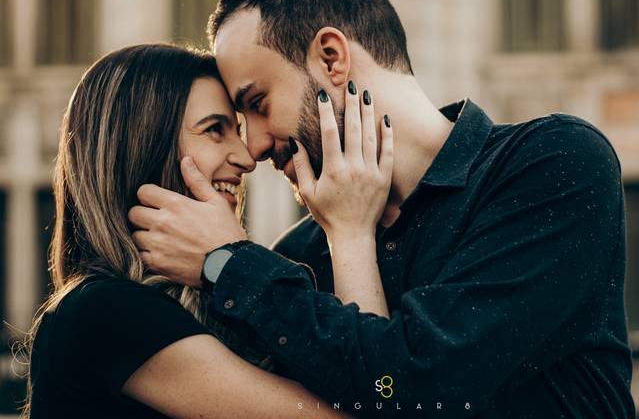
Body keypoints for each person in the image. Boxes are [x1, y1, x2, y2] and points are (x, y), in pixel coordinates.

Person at [131, 0, 636, 417]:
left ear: (332, 58)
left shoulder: (552, 164)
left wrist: (229, 263)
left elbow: (411, 389)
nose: (256, 147)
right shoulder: (299, 257)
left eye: (258, 104)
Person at [23, 43, 392, 418]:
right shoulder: (108, 313)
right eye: (215, 130)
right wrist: (350, 234)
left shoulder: (196, 305)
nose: (247, 158)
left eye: (238, 129)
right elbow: (378, 404)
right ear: (144, 145)